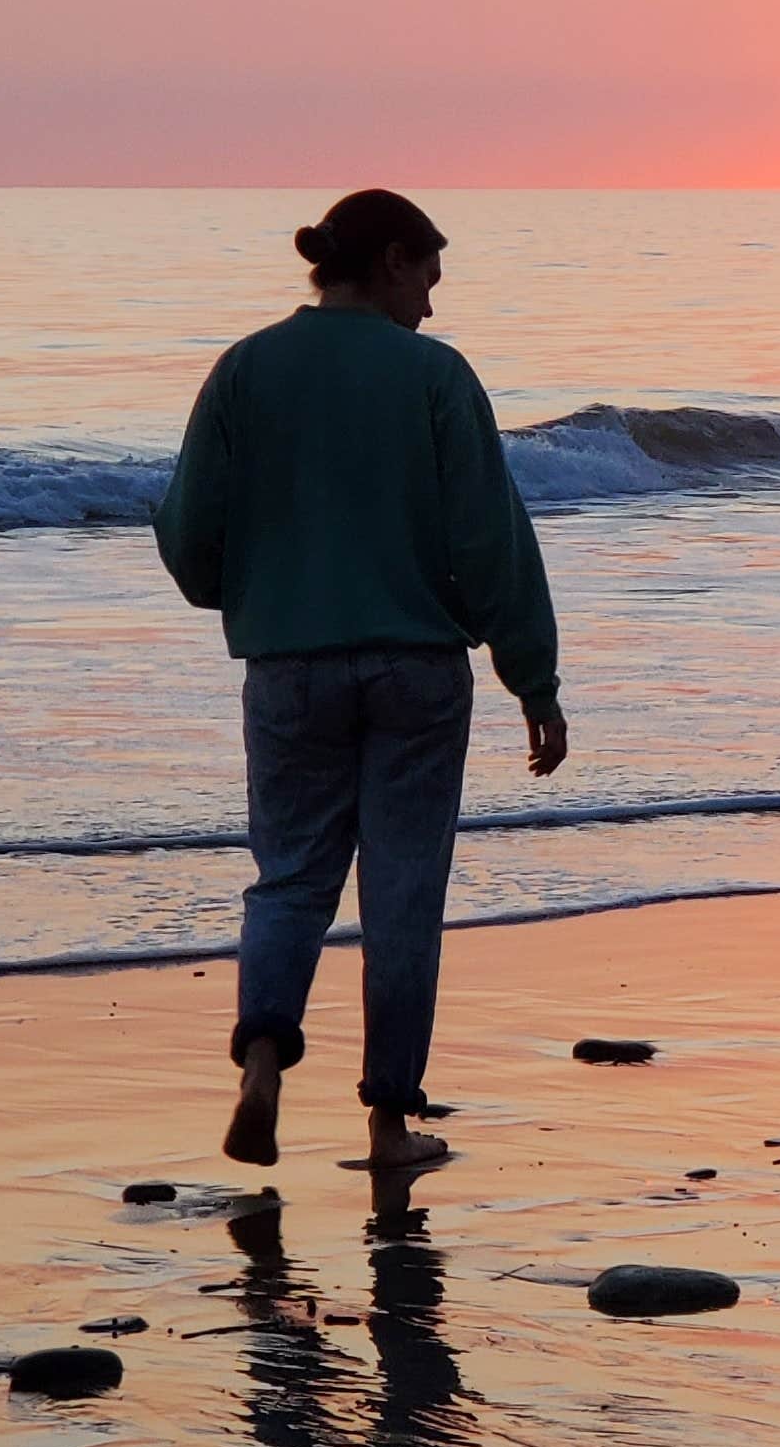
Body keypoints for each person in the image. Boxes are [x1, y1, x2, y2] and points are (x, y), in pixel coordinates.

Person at [157, 188, 566, 1173]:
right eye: (427, 277)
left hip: (287, 665)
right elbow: (490, 541)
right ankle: (388, 1123)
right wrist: (534, 679)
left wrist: (246, 595)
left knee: (291, 878)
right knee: (402, 892)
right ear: (390, 260)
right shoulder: (433, 376)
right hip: (417, 667)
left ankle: (262, 1063)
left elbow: (185, 531)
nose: (430, 304)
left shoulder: (246, 369)